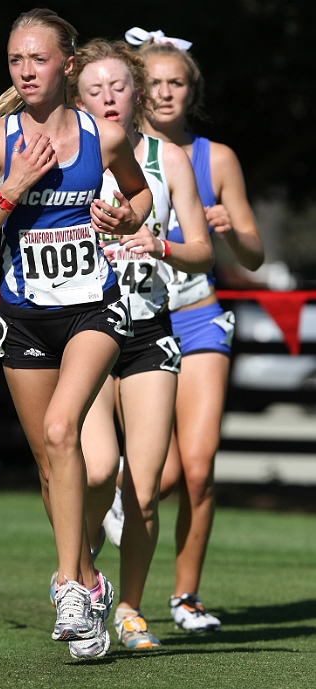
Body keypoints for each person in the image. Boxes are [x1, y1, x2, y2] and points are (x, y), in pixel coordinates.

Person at [0, 9, 152, 660]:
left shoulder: (104, 134)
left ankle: (68, 585)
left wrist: (123, 218)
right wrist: (14, 186)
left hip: (91, 309)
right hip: (24, 313)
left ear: (67, 64)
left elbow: (139, 196)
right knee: (48, 461)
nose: (26, 71)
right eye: (16, 60)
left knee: (65, 430)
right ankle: (89, 585)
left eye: (37, 59)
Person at [103, 27, 263, 632]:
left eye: (178, 83)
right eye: (156, 82)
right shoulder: (112, 150)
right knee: (157, 473)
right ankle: (104, 522)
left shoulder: (214, 157)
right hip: (139, 319)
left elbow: (253, 254)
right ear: (136, 89)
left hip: (197, 317)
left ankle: (186, 597)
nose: (165, 92)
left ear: (191, 91)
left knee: (198, 466)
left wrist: (228, 229)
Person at [65, 39, 214, 649]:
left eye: (119, 88)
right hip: (85, 328)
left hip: (151, 330)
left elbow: (203, 250)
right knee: (98, 468)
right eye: (95, 91)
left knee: (145, 491)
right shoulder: (67, 156)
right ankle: (79, 570)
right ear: (79, 97)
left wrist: (159, 245)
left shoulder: (169, 159)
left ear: (137, 92)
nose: (108, 99)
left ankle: (128, 608)